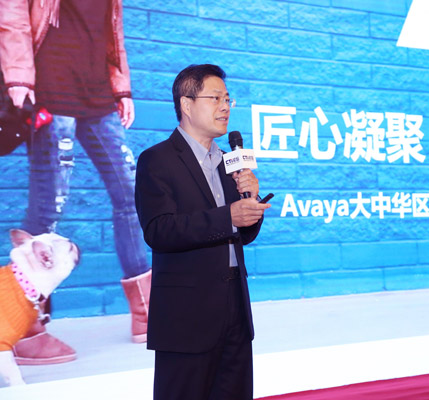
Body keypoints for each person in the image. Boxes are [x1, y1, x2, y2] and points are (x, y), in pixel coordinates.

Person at [0, 0, 152, 365]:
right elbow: (13, 14)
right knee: (49, 205)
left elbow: (111, 32)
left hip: (97, 90)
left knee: (131, 194)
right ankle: (25, 328)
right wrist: (18, 77)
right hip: (50, 86)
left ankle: (147, 313)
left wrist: (121, 87)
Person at [135, 64, 270, 400]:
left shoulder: (229, 162)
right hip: (187, 317)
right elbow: (159, 230)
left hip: (235, 310)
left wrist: (250, 203)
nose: (225, 107)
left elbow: (241, 235)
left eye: (228, 99)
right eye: (215, 98)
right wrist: (228, 216)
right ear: (186, 104)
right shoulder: (157, 160)